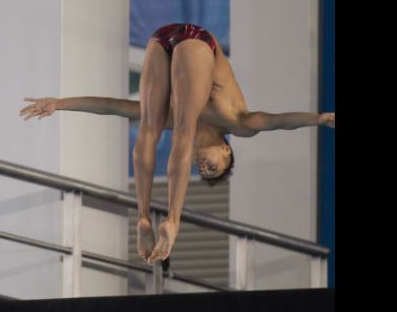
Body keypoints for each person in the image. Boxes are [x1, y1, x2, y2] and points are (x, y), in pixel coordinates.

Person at [20, 23, 334, 266]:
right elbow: (278, 121)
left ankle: (144, 217)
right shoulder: (238, 122)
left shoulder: (172, 116)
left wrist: (60, 103)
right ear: (227, 150)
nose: (204, 167)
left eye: (203, 171)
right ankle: (171, 222)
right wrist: (317, 119)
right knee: (183, 130)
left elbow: (112, 107)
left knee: (148, 126)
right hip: (198, 43)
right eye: (213, 166)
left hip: (161, 40)